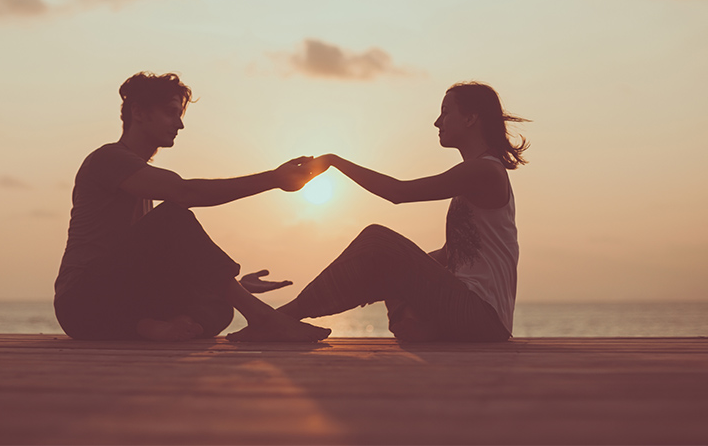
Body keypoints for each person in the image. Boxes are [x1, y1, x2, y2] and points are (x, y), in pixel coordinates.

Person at [228, 82, 529, 342]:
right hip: (472, 313)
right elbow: (454, 254)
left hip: (482, 316)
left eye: (446, 112)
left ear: (471, 118)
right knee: (384, 261)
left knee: (377, 241)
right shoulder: (478, 174)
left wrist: (334, 162)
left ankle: (278, 318)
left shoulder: (484, 171)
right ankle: (418, 323)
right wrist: (373, 277)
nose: (438, 122)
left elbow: (399, 193)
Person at [54, 71, 331, 342]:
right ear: (138, 113)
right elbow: (185, 192)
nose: (179, 124)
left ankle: (148, 328)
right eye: (170, 112)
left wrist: (232, 286)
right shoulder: (109, 159)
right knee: (173, 216)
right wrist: (274, 179)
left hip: (117, 302)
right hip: (81, 302)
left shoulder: (141, 179)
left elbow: (151, 264)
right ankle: (263, 319)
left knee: (221, 308)